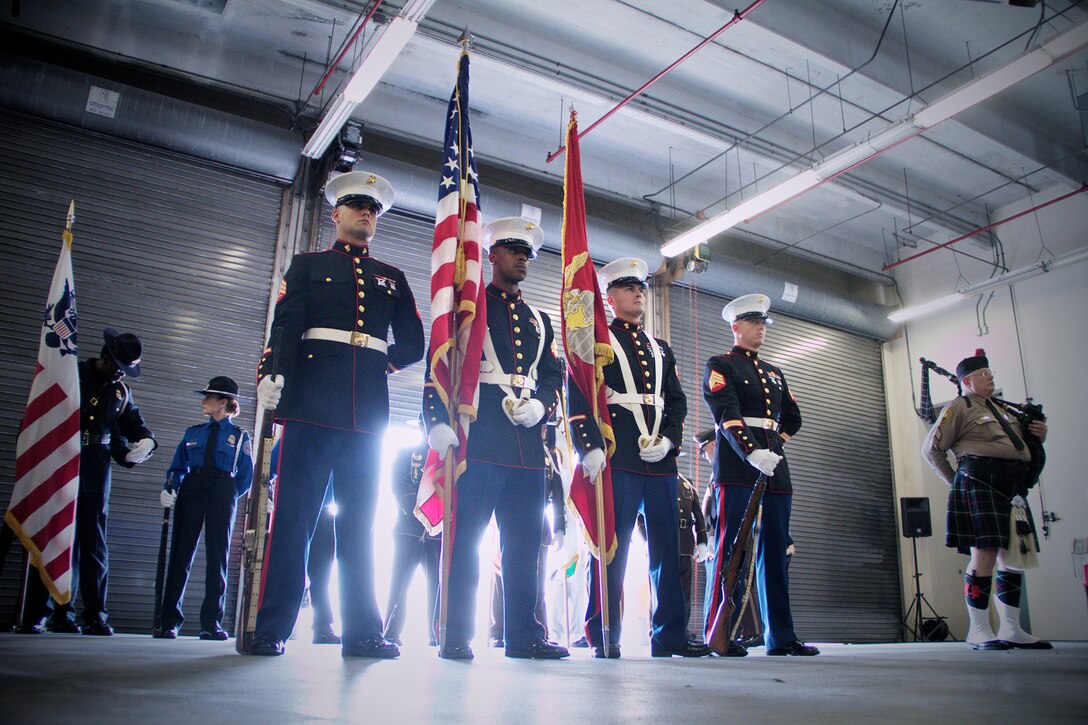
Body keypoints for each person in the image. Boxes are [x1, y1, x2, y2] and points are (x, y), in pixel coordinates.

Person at [249, 170, 425, 657]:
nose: (366, 214)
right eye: (357, 206)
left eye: (373, 209)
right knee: (294, 520)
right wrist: (272, 373)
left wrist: (380, 363)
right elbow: (285, 327)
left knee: (359, 524)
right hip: (310, 407)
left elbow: (413, 342)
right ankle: (273, 629)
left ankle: (362, 632)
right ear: (336, 214)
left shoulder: (392, 277)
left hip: (367, 416)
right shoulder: (306, 265)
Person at [424, 216, 567, 661]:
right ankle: (456, 632)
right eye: (513, 250)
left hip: (526, 450)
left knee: (525, 547)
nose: (523, 258)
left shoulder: (540, 320)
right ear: (492, 256)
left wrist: (543, 406)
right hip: (480, 443)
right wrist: (434, 420)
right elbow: (442, 359)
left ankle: (524, 634)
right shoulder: (469, 309)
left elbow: (552, 374)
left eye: (528, 253)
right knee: (465, 542)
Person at [568, 257, 709, 659]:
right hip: (621, 456)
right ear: (610, 297)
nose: (638, 293)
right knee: (612, 551)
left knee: (669, 550)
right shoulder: (597, 340)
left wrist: (670, 441)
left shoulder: (660, 348)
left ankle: (670, 636)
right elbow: (578, 393)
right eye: (629, 288)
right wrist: (589, 446)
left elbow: (677, 404)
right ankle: (604, 633)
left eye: (641, 287)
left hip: (660, 463)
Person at [18, 328, 156, 636]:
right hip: (61, 465)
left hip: (95, 472)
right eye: (119, 366)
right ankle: (44, 613)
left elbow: (128, 426)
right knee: (54, 538)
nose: (122, 374)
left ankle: (95, 615)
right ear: (106, 358)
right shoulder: (71, 375)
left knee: (93, 546)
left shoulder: (120, 392)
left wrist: (145, 443)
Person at [703, 294, 818, 657]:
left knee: (777, 550)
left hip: (775, 469)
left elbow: (794, 418)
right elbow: (726, 413)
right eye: (754, 323)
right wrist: (752, 450)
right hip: (738, 466)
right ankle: (720, 632)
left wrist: (776, 446)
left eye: (763, 323)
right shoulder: (721, 364)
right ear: (736, 327)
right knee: (730, 550)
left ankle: (781, 636)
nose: (760, 328)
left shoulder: (775, 372)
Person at [922, 348, 1051, 650]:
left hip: (1011, 486)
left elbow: (1021, 446)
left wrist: (1038, 437)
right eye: (982, 374)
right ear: (967, 381)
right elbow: (932, 450)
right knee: (986, 554)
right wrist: (956, 483)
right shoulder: (959, 407)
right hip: (979, 482)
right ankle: (979, 630)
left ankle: (1011, 628)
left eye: (990, 373)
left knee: (1013, 557)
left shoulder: (1004, 410)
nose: (989, 377)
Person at [154, 376, 253, 640]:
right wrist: (171, 487)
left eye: (208, 397)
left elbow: (245, 475)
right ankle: (169, 621)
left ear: (223, 402)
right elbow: (178, 465)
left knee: (217, 556)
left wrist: (229, 494)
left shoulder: (239, 436)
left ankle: (211, 623)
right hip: (193, 487)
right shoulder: (193, 433)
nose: (203, 401)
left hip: (222, 490)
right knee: (180, 554)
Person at [383, 418, 441, 647]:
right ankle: (390, 631)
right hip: (408, 526)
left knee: (436, 585)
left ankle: (435, 633)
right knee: (399, 581)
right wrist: (416, 511)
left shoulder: (446, 458)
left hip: (437, 529)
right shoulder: (406, 453)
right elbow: (398, 485)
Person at [677, 472, 710, 631]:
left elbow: (698, 514)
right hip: (664, 542)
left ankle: (683, 631)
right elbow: (641, 517)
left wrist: (702, 541)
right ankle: (658, 631)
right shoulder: (659, 479)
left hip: (685, 542)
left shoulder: (686, 482)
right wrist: (645, 540)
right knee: (661, 591)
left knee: (684, 593)